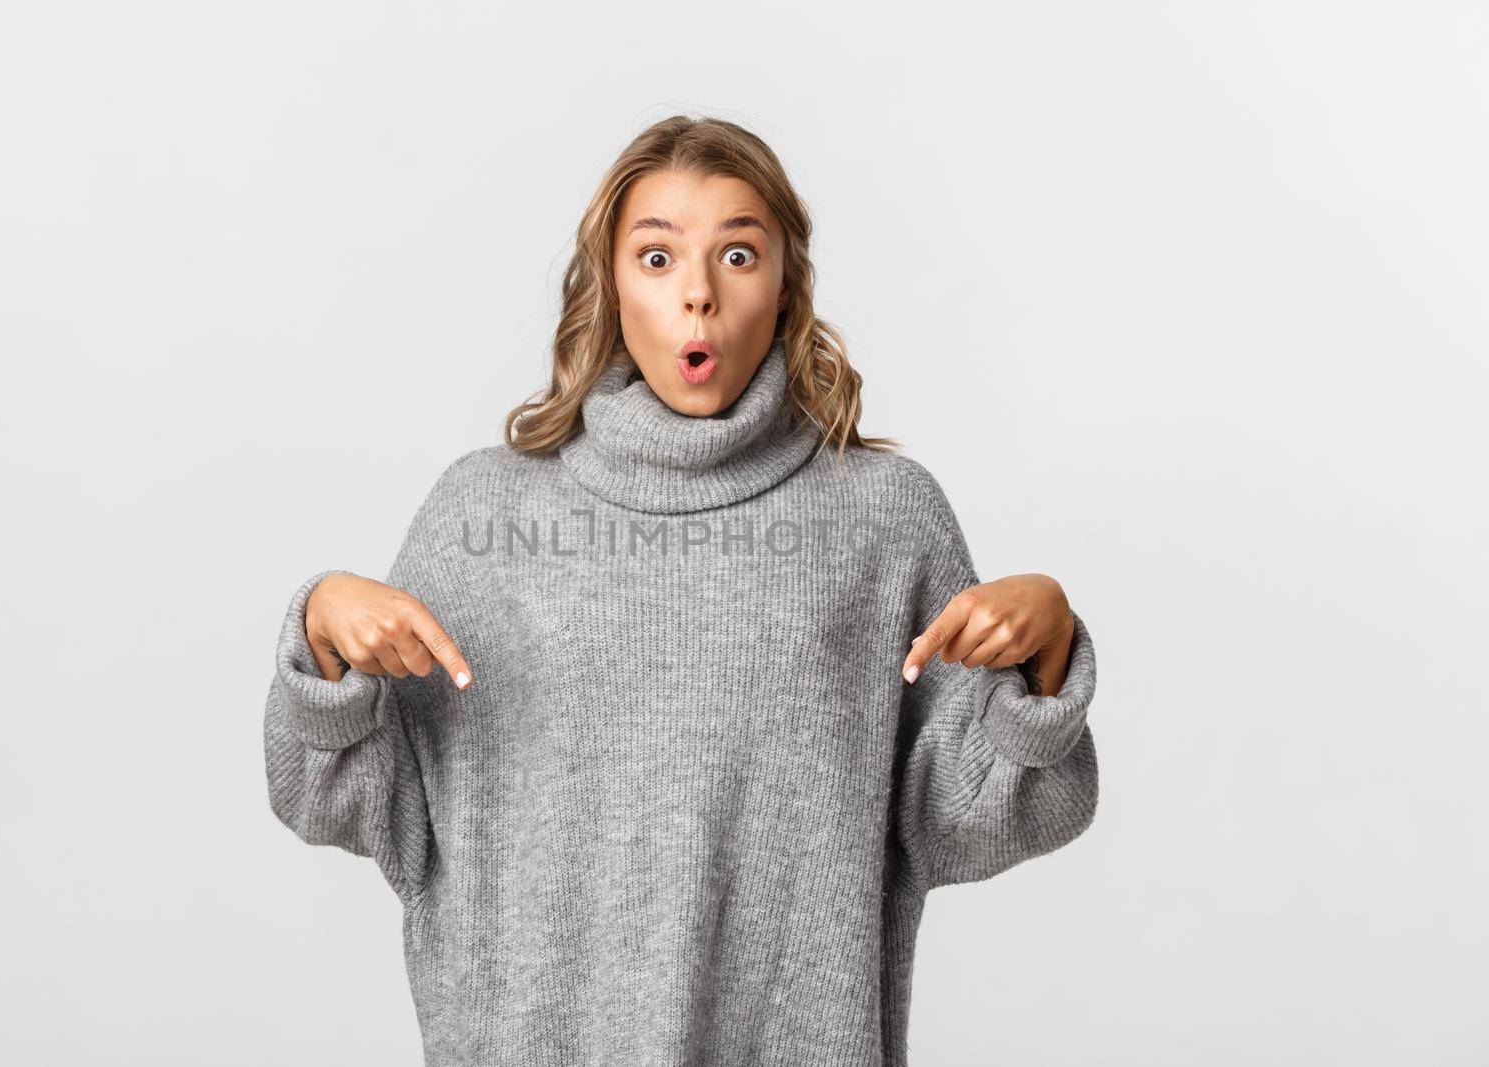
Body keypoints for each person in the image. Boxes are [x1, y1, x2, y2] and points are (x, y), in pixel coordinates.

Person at [263, 114, 1098, 1066]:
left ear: (786, 285)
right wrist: (323, 635)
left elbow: (965, 823)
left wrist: (1047, 654)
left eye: (738, 254)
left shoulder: (884, 518)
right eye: (657, 258)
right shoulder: (483, 515)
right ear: (609, 285)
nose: (697, 294)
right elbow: (348, 805)